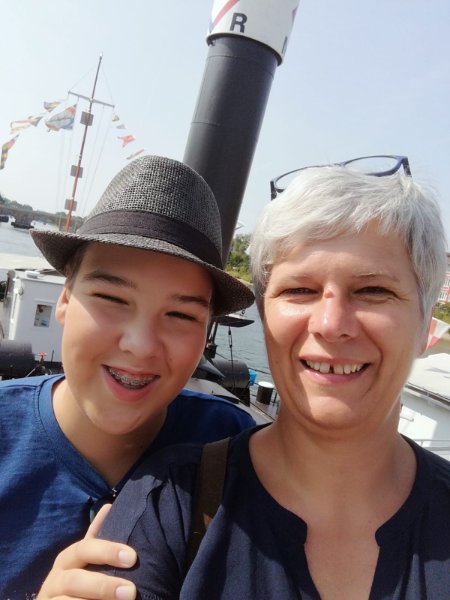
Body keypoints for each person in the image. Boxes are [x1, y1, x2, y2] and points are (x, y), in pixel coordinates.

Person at [73, 156, 450, 599]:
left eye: (373, 291)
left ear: (427, 328)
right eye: (299, 290)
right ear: (266, 318)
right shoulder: (171, 502)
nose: (331, 324)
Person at [0, 155, 256, 599]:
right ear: (64, 300)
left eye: (181, 314)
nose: (140, 345)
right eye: (112, 299)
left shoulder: (229, 442)